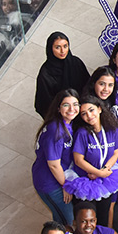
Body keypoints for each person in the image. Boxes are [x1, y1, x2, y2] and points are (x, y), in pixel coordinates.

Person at [65, 96, 118, 223]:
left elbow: (116, 153)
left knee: (103, 216)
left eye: (91, 110)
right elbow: (78, 160)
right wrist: (98, 173)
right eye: (84, 114)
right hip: (85, 181)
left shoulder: (111, 129)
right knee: (85, 218)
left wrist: (105, 170)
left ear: (99, 109)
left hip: (106, 179)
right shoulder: (82, 133)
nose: (89, 115)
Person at [32, 90, 80, 226]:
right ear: (58, 108)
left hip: (56, 178)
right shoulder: (56, 130)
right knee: (69, 222)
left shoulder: (65, 124)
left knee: (60, 217)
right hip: (51, 183)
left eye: (75, 104)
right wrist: (66, 186)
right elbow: (53, 165)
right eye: (66, 105)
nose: (72, 109)